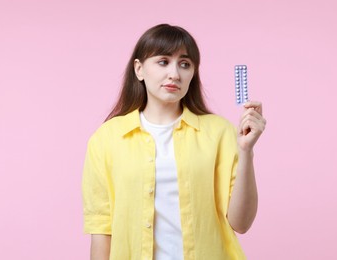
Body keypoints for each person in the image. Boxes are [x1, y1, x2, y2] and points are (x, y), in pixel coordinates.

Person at [82, 24, 266, 260]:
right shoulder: (106, 139)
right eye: (163, 61)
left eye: (185, 64)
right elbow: (101, 228)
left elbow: (241, 223)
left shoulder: (219, 132)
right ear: (139, 69)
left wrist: (246, 151)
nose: (175, 74)